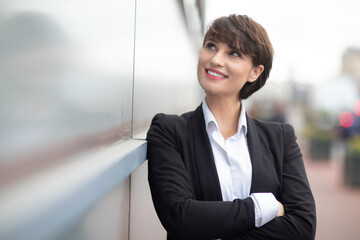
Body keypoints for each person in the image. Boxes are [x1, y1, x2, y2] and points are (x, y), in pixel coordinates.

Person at [146, 14, 316, 240]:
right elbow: (179, 216)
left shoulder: (280, 139)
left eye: (233, 53)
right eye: (211, 46)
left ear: (255, 72)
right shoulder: (168, 131)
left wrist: (212, 232)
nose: (216, 59)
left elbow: (303, 227)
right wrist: (263, 206)